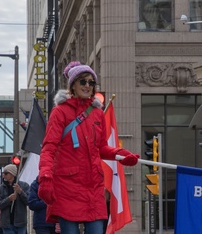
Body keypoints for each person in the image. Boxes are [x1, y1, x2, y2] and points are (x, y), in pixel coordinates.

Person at [38, 61, 140, 234]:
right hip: (67, 186)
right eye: (83, 81)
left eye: (91, 82)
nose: (87, 86)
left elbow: (102, 148)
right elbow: (49, 148)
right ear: (72, 85)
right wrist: (45, 178)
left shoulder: (97, 113)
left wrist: (122, 155)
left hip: (93, 187)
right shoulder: (60, 112)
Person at [0, 164, 29, 234]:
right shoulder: (1, 189)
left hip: (20, 223)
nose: (3, 175)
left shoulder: (24, 186)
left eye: (6, 173)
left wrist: (20, 191)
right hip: (7, 224)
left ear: (12, 174)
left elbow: (28, 201)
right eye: (3, 173)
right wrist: (8, 199)